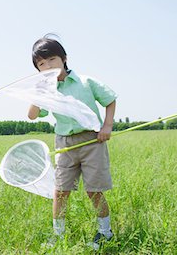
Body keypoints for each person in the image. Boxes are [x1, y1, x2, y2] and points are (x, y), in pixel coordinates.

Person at [27, 34, 117, 249]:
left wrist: (107, 127)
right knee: (60, 191)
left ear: (64, 58)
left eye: (52, 60)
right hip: (65, 144)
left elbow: (110, 99)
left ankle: (105, 232)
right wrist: (38, 93)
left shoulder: (85, 82)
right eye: (41, 64)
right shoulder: (48, 92)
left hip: (91, 141)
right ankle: (58, 235)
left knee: (94, 190)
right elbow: (32, 115)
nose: (47, 65)